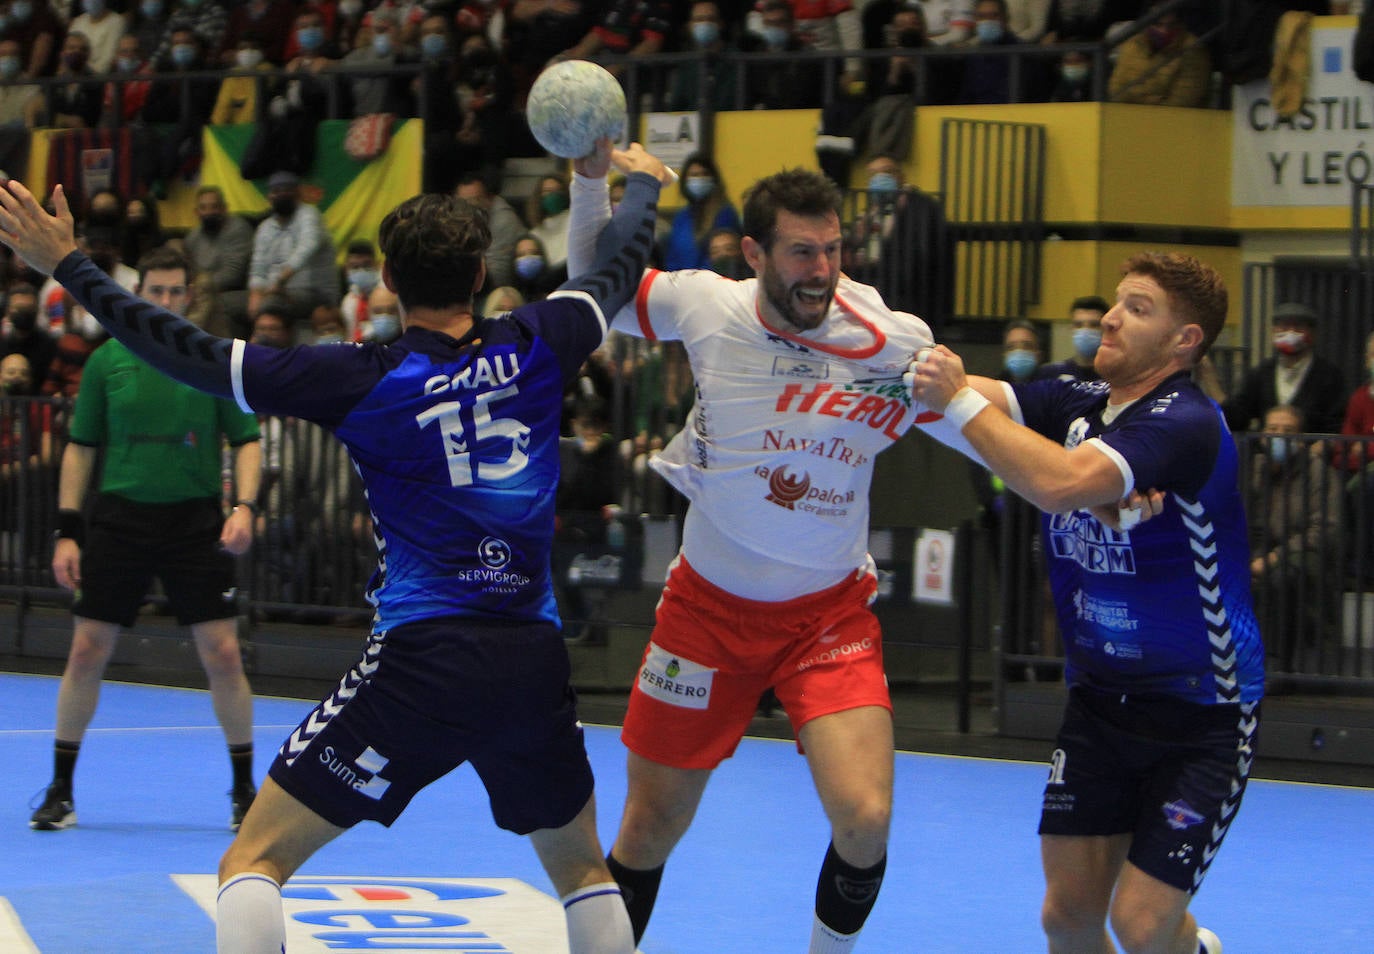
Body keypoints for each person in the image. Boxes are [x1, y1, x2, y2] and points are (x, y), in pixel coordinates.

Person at [0, 138, 673, 953]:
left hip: (420, 660)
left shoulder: (357, 376)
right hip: (531, 658)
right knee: (582, 872)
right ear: (477, 276)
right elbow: (618, 266)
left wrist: (67, 262)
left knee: (254, 856)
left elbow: (186, 351)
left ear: (386, 282)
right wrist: (638, 187)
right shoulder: (540, 340)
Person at [566, 164, 942, 952]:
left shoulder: (891, 339)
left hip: (825, 617)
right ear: (754, 253)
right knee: (648, 828)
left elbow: (972, 413)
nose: (823, 271)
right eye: (802, 253)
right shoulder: (707, 303)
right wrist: (591, 182)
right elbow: (591, 287)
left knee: (866, 819)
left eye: (834, 250)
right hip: (705, 614)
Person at [907, 251, 1263, 954]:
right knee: (1066, 919)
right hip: (1100, 702)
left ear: (1184, 340)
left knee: (1139, 923)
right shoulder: (1074, 398)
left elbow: (1059, 483)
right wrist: (903, 367)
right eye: (1116, 302)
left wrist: (954, 400)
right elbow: (938, 403)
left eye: (1138, 308)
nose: (1110, 316)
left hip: (1202, 713)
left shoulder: (1184, 421)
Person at [25, 246, 263, 834]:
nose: (164, 302)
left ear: (189, 296)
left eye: (174, 292)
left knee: (224, 655)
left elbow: (249, 440)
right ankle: (60, 790)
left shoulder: (211, 361)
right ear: (138, 296)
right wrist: (67, 531)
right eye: (153, 292)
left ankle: (244, 793)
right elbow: (80, 449)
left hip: (193, 524)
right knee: (85, 652)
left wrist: (246, 507)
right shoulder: (107, 362)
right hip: (120, 521)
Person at [1248, 403, 1341, 674]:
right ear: (1262, 435)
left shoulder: (1319, 473)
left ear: (1301, 439)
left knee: (1280, 578)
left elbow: (1324, 530)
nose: (1279, 436)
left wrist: (1274, 558)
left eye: (1288, 430)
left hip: (1302, 552)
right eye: (1273, 429)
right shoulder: (1252, 468)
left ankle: (1278, 665)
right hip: (1256, 548)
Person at [1211, 301, 1347, 435]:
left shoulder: (1329, 376)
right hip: (1266, 454)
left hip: (1311, 455)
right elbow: (1237, 419)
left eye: (1298, 327)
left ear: (1312, 334)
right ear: (1273, 332)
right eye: (1284, 326)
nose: (1290, 332)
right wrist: (1210, 380)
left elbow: (1336, 425)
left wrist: (1319, 447)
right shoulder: (1261, 373)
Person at [247, 170, 339, 330]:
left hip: (316, 293)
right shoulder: (265, 227)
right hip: (274, 291)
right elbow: (258, 267)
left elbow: (307, 247)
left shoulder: (310, 215)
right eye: (277, 191)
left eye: (287, 190)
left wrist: (280, 280)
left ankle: (271, 348)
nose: (282, 195)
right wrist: (255, 294)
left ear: (297, 194)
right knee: (226, 304)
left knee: (272, 304)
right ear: (269, 197)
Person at [1107, 0, 1211, 108]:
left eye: (1172, 25)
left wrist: (1137, 101)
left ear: (1180, 23)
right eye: (1158, 24)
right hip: (1125, 117)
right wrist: (1153, 100)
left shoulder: (1193, 49)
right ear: (1146, 23)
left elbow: (1182, 102)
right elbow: (1116, 91)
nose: (1164, 31)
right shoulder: (1132, 45)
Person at [184, 185, 256, 336]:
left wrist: (201, 288)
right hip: (202, 291)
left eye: (214, 207)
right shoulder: (193, 237)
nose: (209, 212)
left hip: (238, 292)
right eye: (203, 208)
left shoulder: (238, 229)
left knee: (212, 305)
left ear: (224, 208)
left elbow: (232, 275)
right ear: (196, 212)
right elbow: (189, 271)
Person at [660, 153, 741, 271]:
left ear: (714, 179)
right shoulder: (681, 217)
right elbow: (672, 256)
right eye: (694, 175)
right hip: (679, 282)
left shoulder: (725, 214)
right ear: (685, 181)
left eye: (704, 174)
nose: (699, 179)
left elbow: (721, 256)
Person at [1036, 294, 1108, 383]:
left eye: (1094, 325)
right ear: (1071, 329)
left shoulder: (1116, 375)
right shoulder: (1050, 374)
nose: (1085, 331)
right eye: (1078, 325)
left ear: (1106, 329)